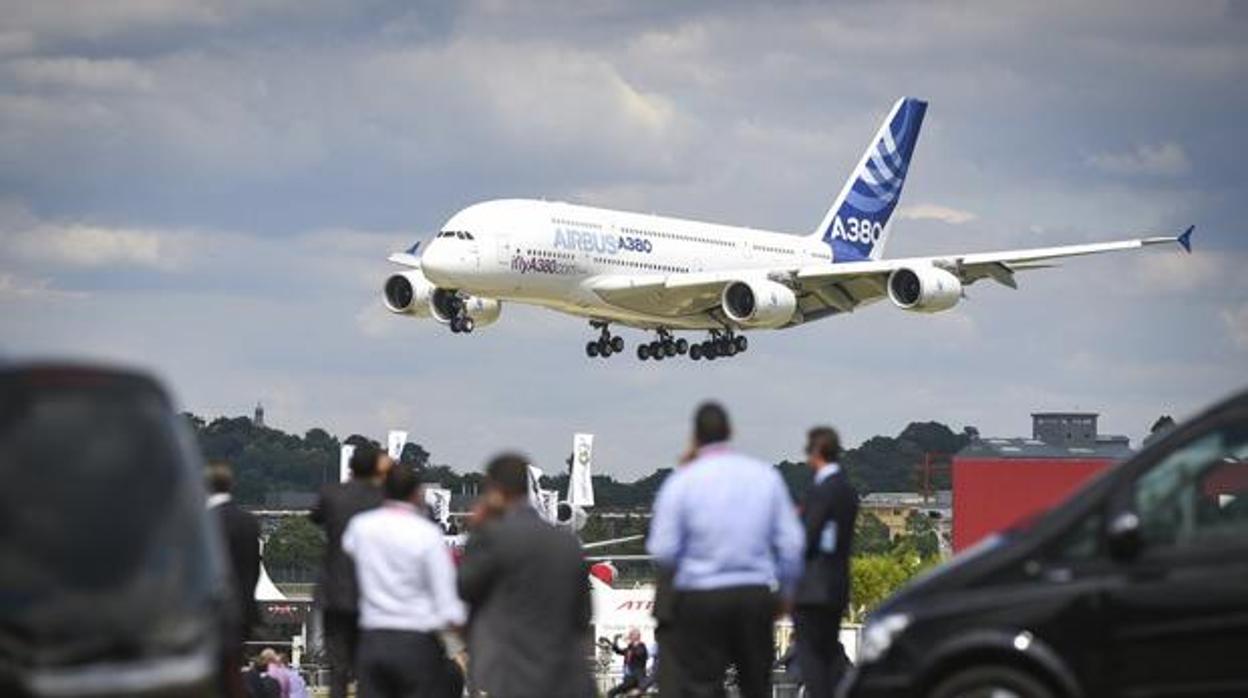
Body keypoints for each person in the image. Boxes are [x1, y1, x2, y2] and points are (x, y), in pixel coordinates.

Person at [647, 402, 805, 698]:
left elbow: (663, 550)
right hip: (753, 594)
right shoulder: (764, 477)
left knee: (704, 685)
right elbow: (792, 544)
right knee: (756, 685)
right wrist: (784, 595)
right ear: (731, 432)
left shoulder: (682, 480)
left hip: (701, 597)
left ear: (694, 435)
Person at [458, 454, 594, 698]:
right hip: (567, 674)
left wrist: (477, 530)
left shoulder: (490, 538)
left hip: (515, 674)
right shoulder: (568, 543)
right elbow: (583, 615)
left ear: (494, 490)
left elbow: (465, 591)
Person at [342, 466, 466, 698]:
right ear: (416, 494)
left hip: (372, 639)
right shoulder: (427, 533)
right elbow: (445, 598)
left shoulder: (361, 526)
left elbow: (348, 567)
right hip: (416, 641)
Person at [310, 444, 390, 698]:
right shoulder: (383, 499)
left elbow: (316, 517)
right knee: (367, 661)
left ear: (351, 467)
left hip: (334, 587)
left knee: (337, 664)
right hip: (371, 588)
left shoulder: (332, 493)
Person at [793, 427, 859, 698]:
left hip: (813, 587)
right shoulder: (848, 491)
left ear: (816, 452)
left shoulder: (821, 491)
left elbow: (807, 538)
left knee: (812, 659)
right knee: (830, 654)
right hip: (837, 584)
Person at [206, 461, 261, 698]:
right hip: (239, 611)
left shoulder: (200, 520)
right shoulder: (248, 521)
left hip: (207, 611)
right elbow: (253, 569)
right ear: (231, 485)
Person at [606, 628, 649, 697]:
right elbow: (619, 651)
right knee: (627, 694)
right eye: (630, 635)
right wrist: (615, 640)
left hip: (636, 677)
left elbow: (639, 654)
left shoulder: (642, 646)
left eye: (631, 635)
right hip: (628, 675)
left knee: (614, 692)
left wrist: (628, 643)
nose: (629, 636)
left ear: (637, 636)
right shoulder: (630, 647)